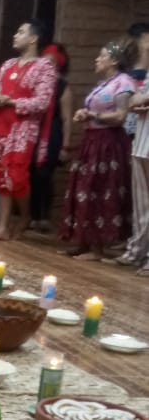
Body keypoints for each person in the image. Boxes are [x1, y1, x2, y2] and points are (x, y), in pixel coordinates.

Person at [0, 18, 57, 240]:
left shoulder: (45, 67)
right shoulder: (7, 65)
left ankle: (25, 216)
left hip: (23, 129)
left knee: (16, 177)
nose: (15, 36)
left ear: (33, 38)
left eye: (20, 32)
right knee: (1, 179)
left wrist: (13, 102)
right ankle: (3, 227)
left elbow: (42, 102)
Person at [59, 42, 134, 261]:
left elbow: (120, 116)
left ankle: (98, 248)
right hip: (92, 140)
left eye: (102, 56)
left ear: (114, 61)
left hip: (109, 143)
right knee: (85, 189)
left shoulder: (123, 82)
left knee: (102, 189)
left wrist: (93, 116)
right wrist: (85, 114)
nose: (97, 59)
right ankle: (83, 241)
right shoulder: (103, 84)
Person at [29, 43, 74, 233]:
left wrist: (65, 146)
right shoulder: (34, 83)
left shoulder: (63, 88)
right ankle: (32, 216)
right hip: (33, 132)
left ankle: (44, 216)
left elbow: (67, 119)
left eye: (51, 62)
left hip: (52, 135)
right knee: (31, 175)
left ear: (58, 65)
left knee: (44, 175)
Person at [113, 79, 149, 275]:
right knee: (141, 205)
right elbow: (135, 99)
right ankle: (136, 251)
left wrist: (142, 98)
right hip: (142, 142)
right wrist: (138, 100)